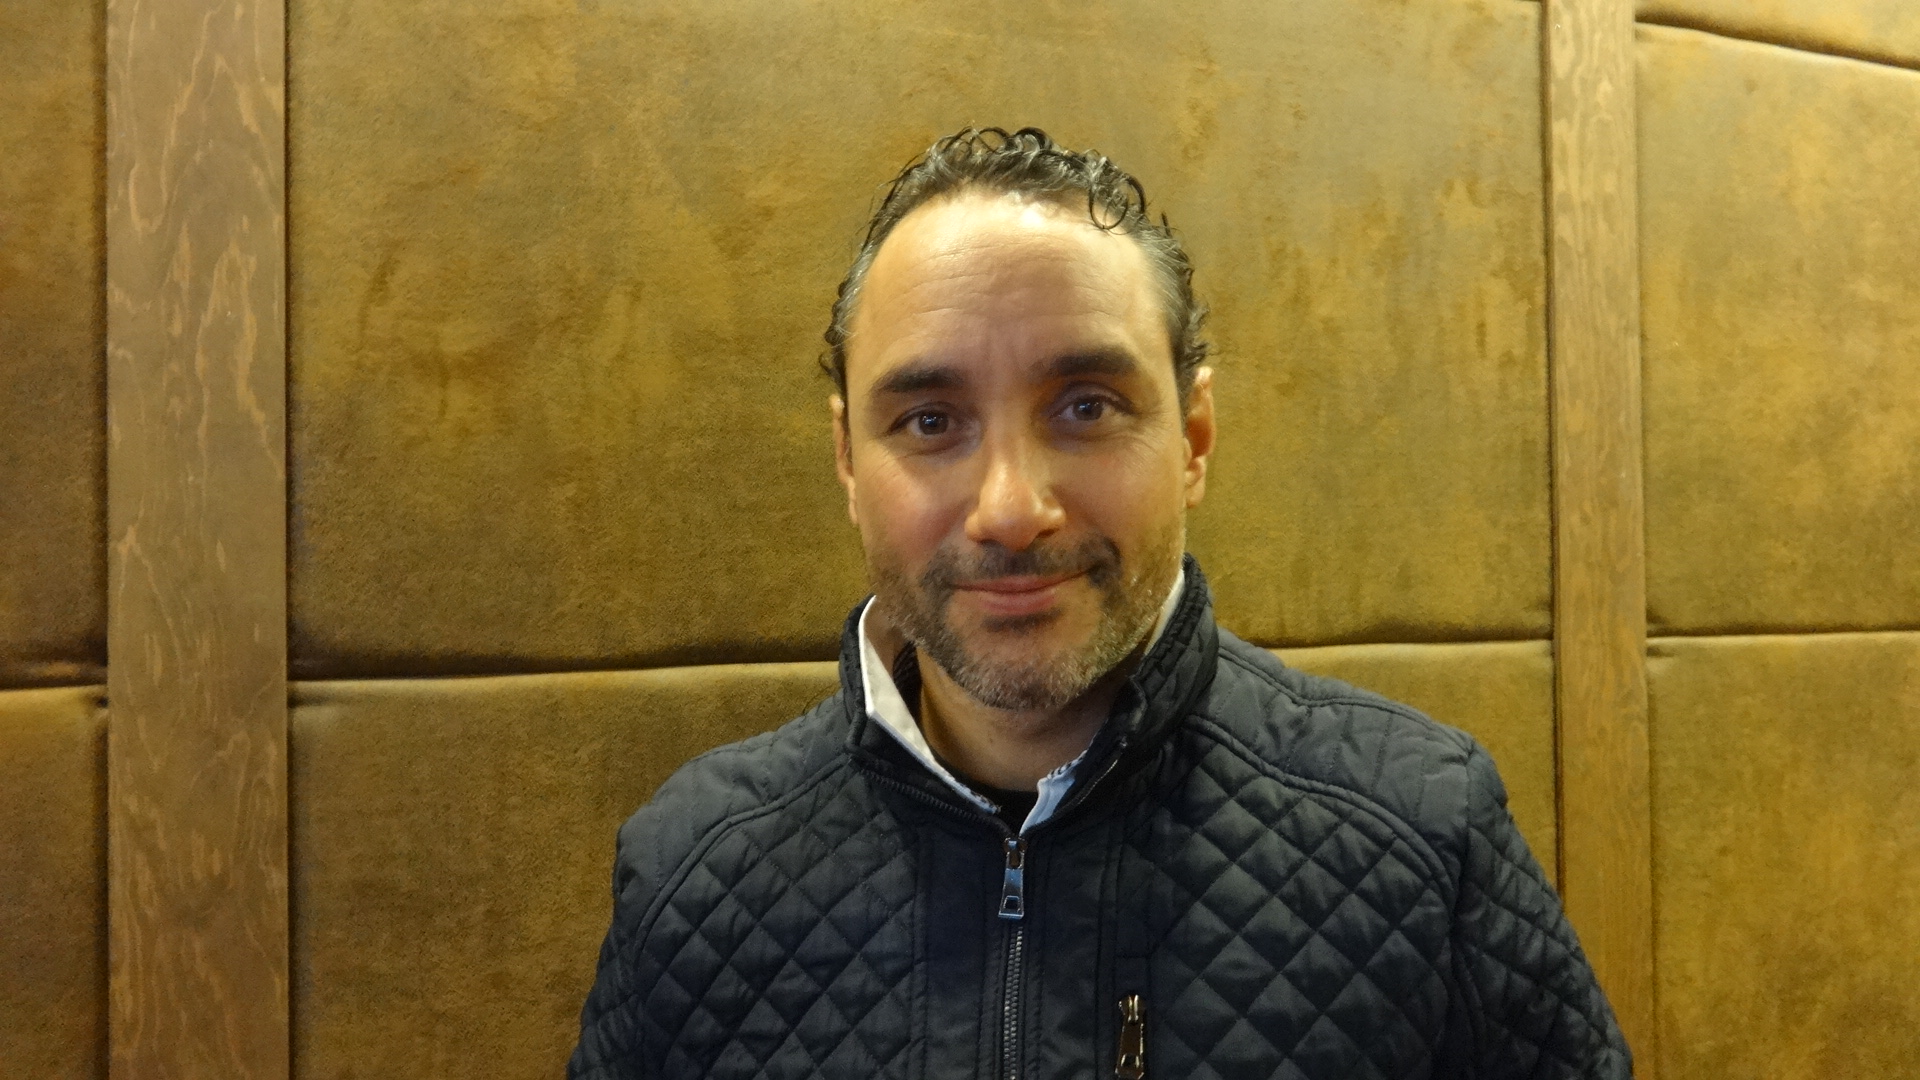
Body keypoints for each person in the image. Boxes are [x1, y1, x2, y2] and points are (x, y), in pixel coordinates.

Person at [570, 127, 1631, 1079]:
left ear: (1194, 440)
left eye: (1086, 407)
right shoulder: (690, 871)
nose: (1009, 510)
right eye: (931, 421)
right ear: (849, 459)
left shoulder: (1424, 835)